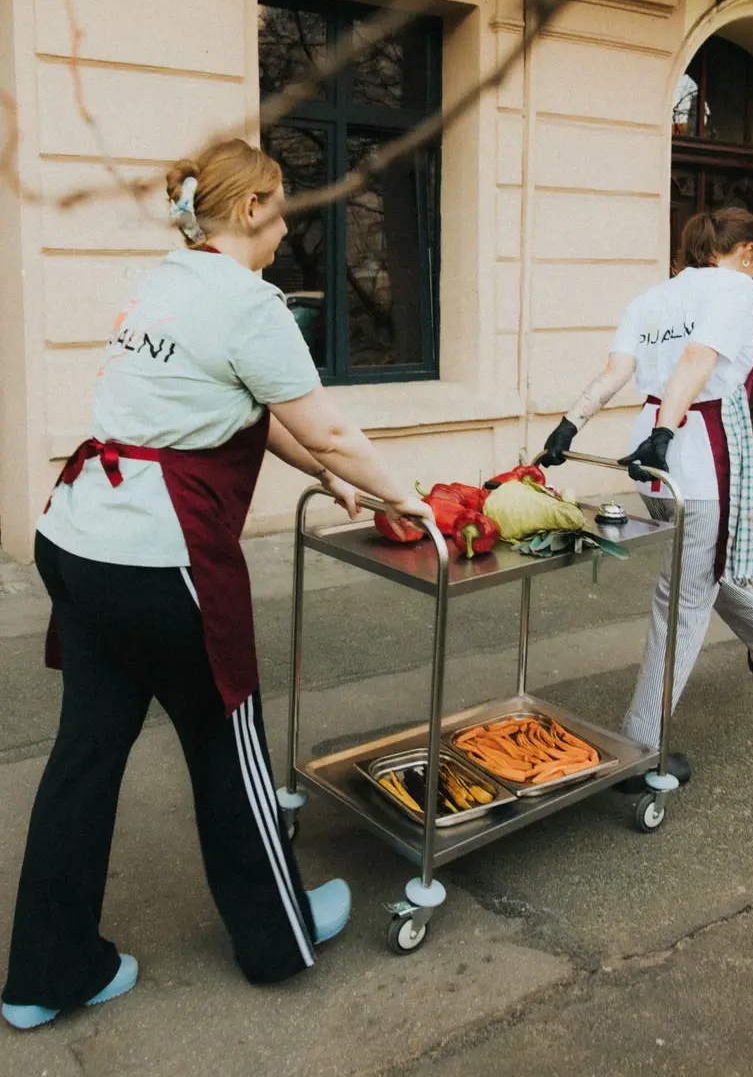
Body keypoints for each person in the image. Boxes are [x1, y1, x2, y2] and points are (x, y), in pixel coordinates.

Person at [1, 139, 432, 1030]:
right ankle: (278, 938)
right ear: (249, 211)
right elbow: (331, 424)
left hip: (80, 544)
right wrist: (410, 501)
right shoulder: (250, 303)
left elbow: (237, 405)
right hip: (164, 561)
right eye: (282, 210)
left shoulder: (166, 280)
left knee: (84, 757)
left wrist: (327, 475)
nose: (287, 226)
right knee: (228, 752)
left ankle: (48, 972)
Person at [540, 208, 753, 784]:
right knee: (683, 598)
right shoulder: (734, 285)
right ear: (749, 250)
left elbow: (616, 370)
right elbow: (698, 362)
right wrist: (669, 432)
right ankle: (643, 744)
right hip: (699, 454)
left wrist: (569, 424)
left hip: (651, 464)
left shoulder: (654, 296)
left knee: (693, 578)